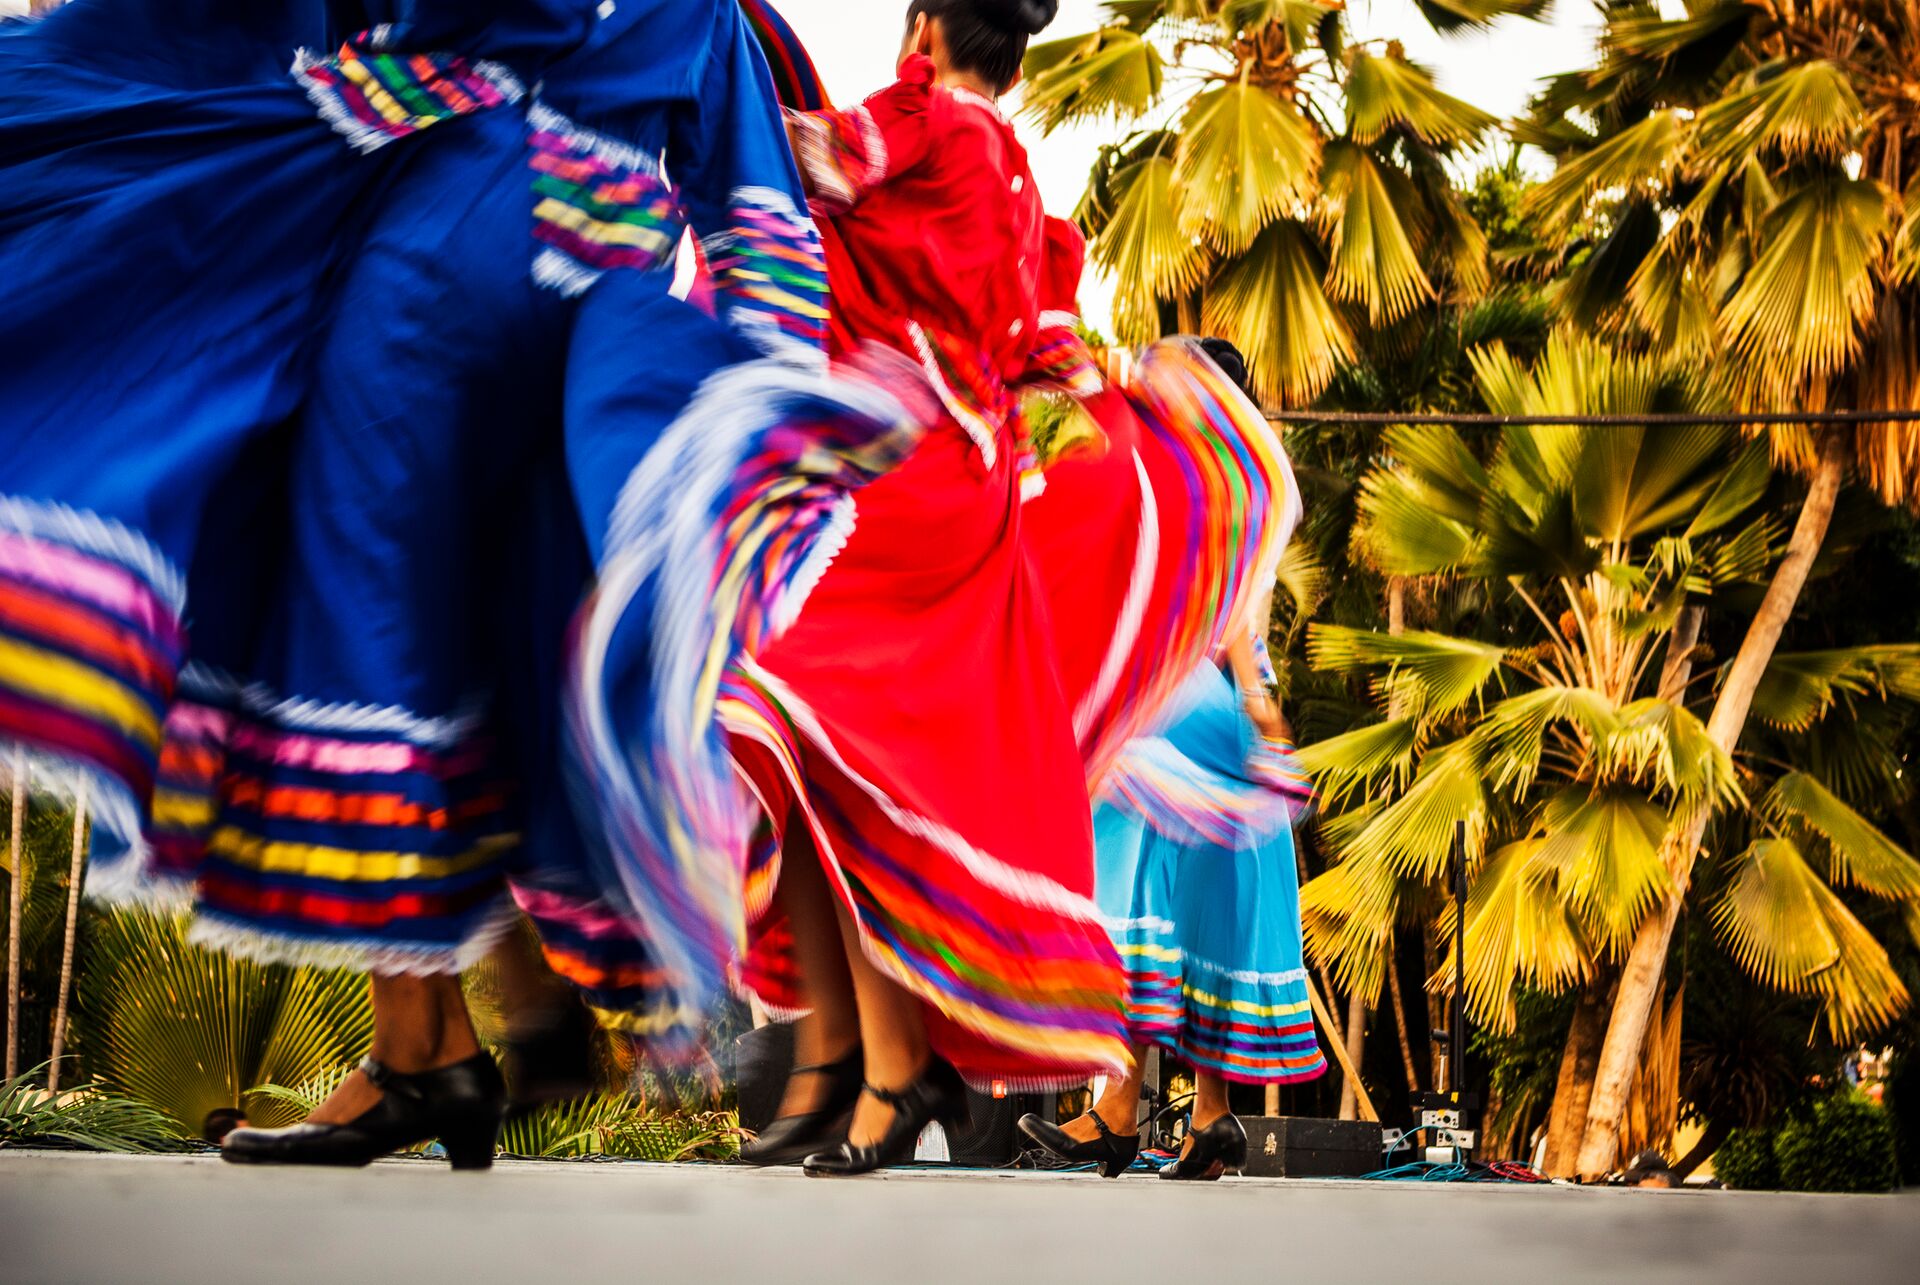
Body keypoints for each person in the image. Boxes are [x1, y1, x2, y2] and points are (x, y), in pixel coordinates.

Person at [571, 0, 1297, 1176]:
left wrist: (733, 30)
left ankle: (883, 1071)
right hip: (966, 492)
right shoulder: (1023, 189)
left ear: (921, 28)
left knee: (789, 734)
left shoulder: (917, 122)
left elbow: (800, 154)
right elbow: (1054, 356)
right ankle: (861, 1067)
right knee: (825, 766)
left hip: (889, 497)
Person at [1020, 342, 1325, 1182]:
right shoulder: (1237, 483)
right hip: (1212, 710)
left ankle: (1119, 1107)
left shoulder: (1193, 481)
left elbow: (1228, 608)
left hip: (1171, 705)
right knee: (1202, 906)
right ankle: (1213, 1117)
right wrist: (1261, 713)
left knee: (1132, 889)